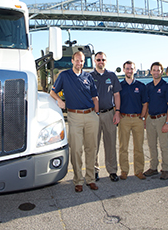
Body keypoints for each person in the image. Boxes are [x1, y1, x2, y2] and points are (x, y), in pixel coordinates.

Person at [50, 51, 100, 192]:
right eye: (77, 60)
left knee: (92, 149)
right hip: (74, 117)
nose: (80, 63)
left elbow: (95, 97)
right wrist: (60, 100)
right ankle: (78, 180)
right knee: (76, 150)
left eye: (82, 61)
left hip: (90, 115)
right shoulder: (64, 76)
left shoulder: (88, 77)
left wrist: (96, 114)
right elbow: (52, 92)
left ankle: (90, 179)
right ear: (72, 61)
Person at [90, 52, 122, 182]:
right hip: (94, 115)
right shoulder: (89, 76)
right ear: (94, 61)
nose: (100, 62)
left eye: (103, 59)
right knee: (93, 145)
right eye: (98, 60)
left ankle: (112, 171)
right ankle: (94, 171)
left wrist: (117, 112)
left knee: (111, 144)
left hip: (109, 114)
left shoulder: (112, 76)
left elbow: (117, 95)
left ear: (106, 61)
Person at [118, 61, 148, 180]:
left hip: (137, 119)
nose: (129, 70)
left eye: (131, 68)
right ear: (124, 70)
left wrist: (143, 117)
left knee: (139, 147)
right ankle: (124, 171)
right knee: (123, 147)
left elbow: (145, 103)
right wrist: (118, 114)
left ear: (134, 70)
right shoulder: (120, 86)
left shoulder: (141, 86)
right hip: (124, 119)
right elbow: (116, 101)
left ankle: (139, 171)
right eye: (127, 68)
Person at [144, 62, 168, 180]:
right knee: (151, 145)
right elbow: (147, 104)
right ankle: (153, 167)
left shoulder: (166, 87)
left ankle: (165, 169)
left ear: (162, 72)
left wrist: (167, 122)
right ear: (151, 71)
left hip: (162, 119)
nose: (156, 72)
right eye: (154, 70)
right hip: (150, 119)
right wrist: (145, 120)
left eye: (158, 70)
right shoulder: (149, 87)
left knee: (164, 146)